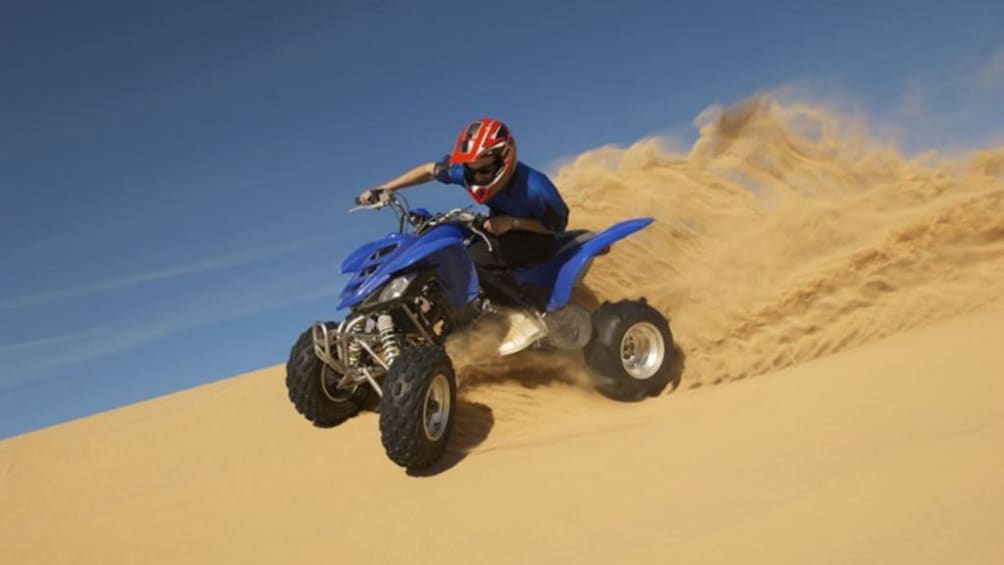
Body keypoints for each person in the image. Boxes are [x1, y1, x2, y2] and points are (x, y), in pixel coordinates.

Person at [357, 117, 569, 356]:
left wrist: (513, 222)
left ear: (505, 158)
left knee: (475, 259)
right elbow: (429, 170)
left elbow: (557, 226)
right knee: (449, 252)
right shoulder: (467, 172)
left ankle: (528, 315)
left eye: (484, 169)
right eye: (471, 169)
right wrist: (386, 188)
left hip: (536, 236)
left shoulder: (537, 188)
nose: (476, 176)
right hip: (497, 227)